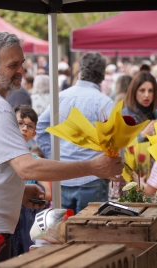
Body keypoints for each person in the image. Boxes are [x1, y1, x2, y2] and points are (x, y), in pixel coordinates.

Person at [0, 32, 122, 266]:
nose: (21, 70)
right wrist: (92, 167)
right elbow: (27, 167)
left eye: (22, 63)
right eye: (13, 65)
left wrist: (17, 192)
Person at [36, 52, 116, 214]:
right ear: (101, 77)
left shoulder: (62, 97)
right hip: (92, 178)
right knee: (89, 233)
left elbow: (41, 127)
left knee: (63, 233)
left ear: (80, 71)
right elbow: (114, 141)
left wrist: (56, 156)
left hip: (64, 175)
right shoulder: (104, 102)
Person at [11, 105, 49, 255]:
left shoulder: (34, 160)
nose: (24, 128)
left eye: (29, 125)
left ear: (34, 133)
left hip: (28, 215)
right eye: (20, 123)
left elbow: (49, 193)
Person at [123, 71, 157, 142]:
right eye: (142, 90)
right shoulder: (125, 115)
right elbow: (120, 148)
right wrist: (143, 134)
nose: (147, 95)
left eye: (150, 91)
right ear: (134, 92)